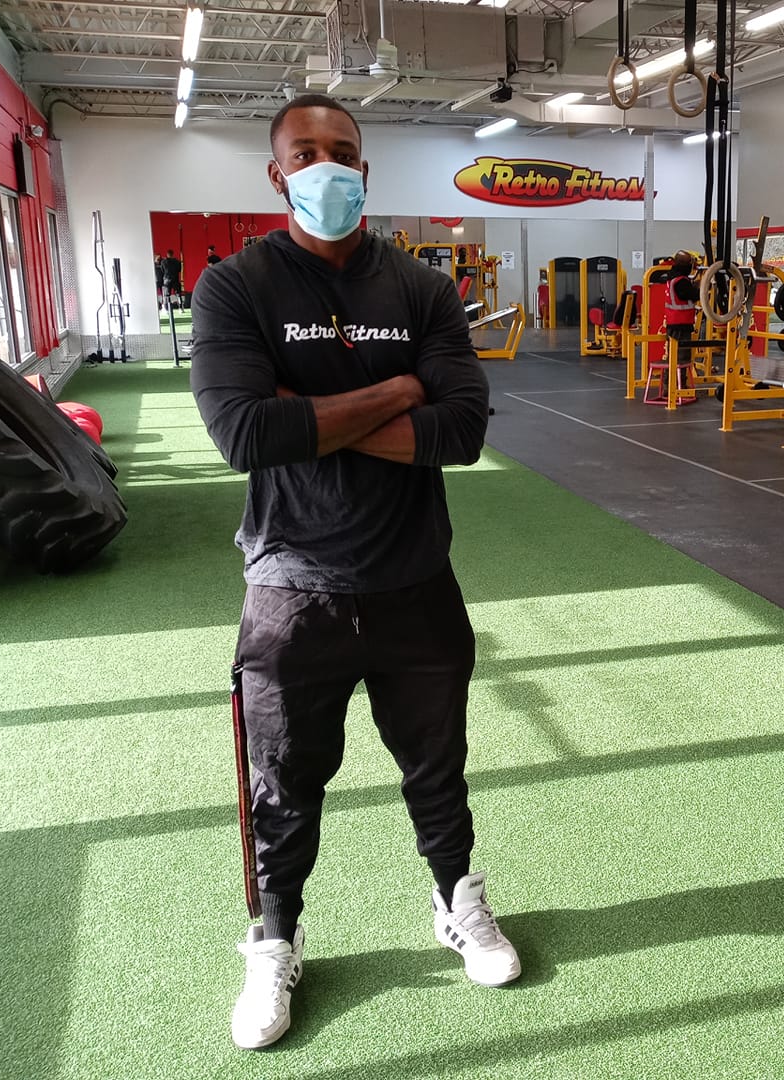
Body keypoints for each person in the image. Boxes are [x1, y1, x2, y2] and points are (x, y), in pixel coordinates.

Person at [190, 92, 519, 1051]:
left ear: (365, 171)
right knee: (284, 785)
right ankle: (274, 936)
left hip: (416, 580)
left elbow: (461, 431)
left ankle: (456, 901)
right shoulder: (237, 287)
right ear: (277, 172)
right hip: (291, 587)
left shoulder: (419, 288)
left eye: (342, 151)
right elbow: (244, 434)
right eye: (306, 153)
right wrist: (399, 389)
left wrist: (312, 413)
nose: (325, 166)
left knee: (437, 769)